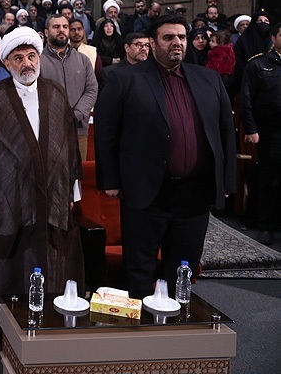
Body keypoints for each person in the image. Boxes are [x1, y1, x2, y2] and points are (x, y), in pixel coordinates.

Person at [95, 15, 236, 299]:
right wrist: (110, 180)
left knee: (183, 267)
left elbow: (225, 132)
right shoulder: (125, 78)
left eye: (181, 37)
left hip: (194, 193)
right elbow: (106, 131)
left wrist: (226, 180)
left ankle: (176, 319)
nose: (177, 43)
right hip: (146, 191)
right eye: (168, 37)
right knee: (140, 269)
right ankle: (140, 323)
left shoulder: (208, 78)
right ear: (152, 42)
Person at [0, 28, 84, 355]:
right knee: (5, 258)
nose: (26, 63)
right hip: (10, 194)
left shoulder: (56, 93)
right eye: (18, 58)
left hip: (55, 193)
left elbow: (69, 147)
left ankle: (52, 319)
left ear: (39, 58)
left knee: (53, 254)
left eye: (31, 56)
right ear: (7, 63)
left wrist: (72, 192)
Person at [239, 22, 281, 245]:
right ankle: (265, 226)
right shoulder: (258, 65)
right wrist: (251, 128)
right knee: (269, 180)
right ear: (273, 38)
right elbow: (246, 99)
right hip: (270, 132)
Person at [40, 15, 98, 158]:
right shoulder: (38, 60)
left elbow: (91, 90)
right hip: (48, 131)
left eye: (65, 27)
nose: (61, 30)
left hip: (78, 129)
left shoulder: (83, 60)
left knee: (78, 170)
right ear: (46, 32)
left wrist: (76, 114)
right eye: (56, 27)